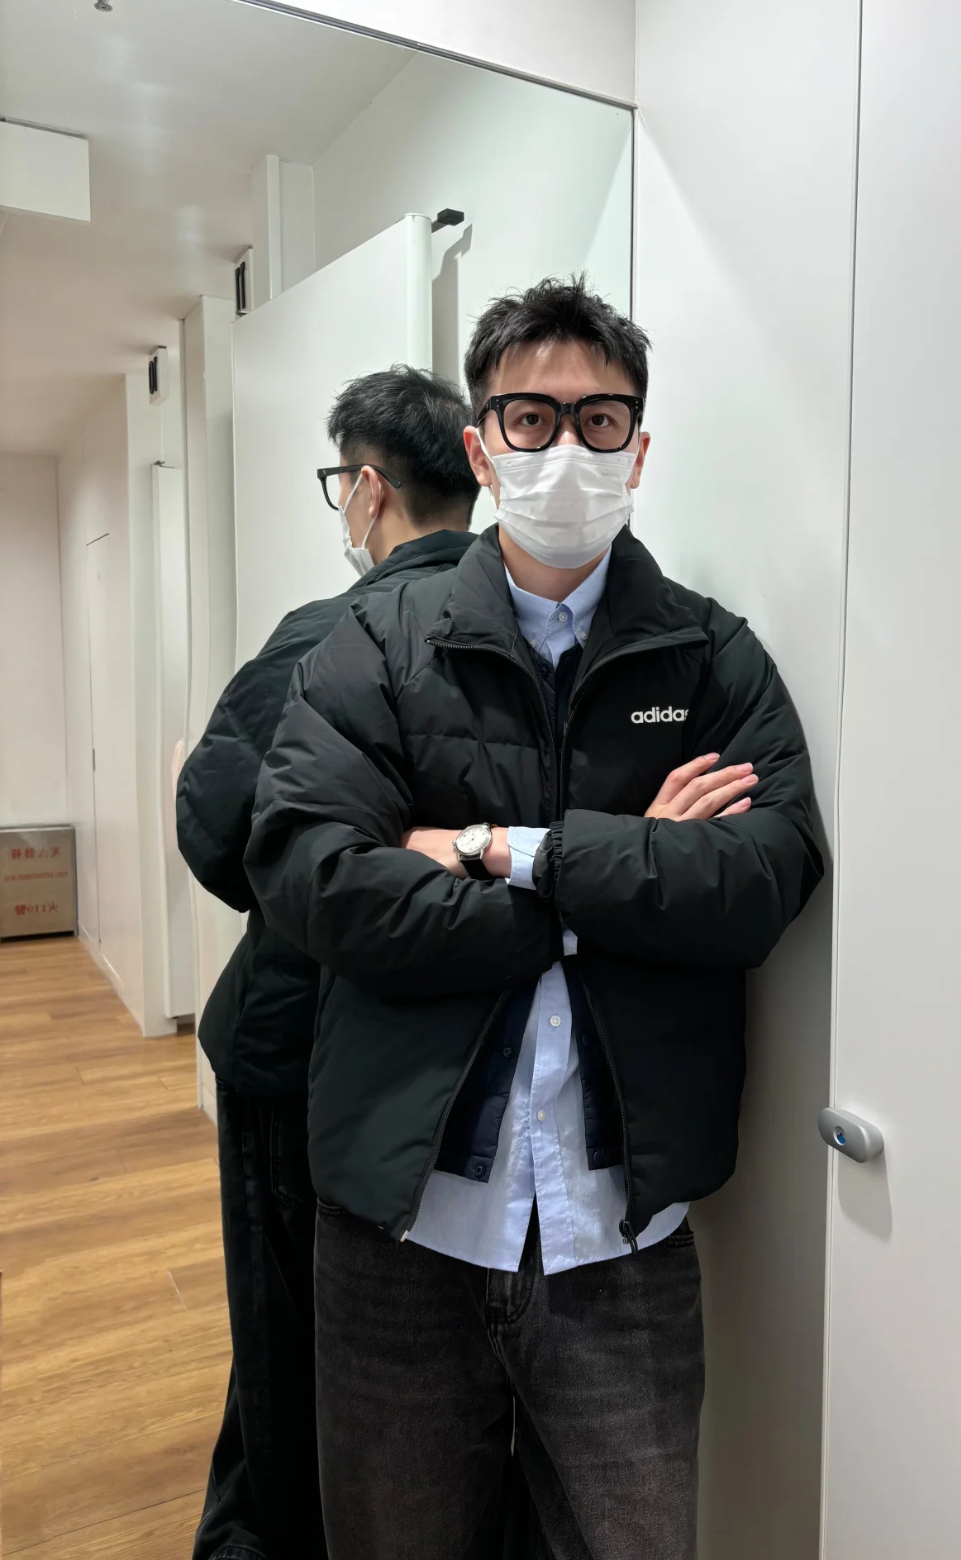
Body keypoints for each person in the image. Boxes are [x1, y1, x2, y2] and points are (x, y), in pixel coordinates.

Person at [245, 277, 824, 1560]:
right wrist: (612, 887)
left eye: (599, 419)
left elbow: (766, 877)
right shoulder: (377, 644)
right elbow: (309, 873)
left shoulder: (711, 659)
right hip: (401, 1233)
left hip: (622, 1238)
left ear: (640, 448)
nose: (567, 448)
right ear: (480, 448)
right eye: (530, 417)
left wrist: (504, 852)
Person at [177, 367, 483, 1560]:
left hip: (295, 1046)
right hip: (459, 1060)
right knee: (425, 1349)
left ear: (366, 487)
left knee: (289, 1333)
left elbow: (216, 824)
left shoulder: (325, 635)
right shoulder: (534, 628)